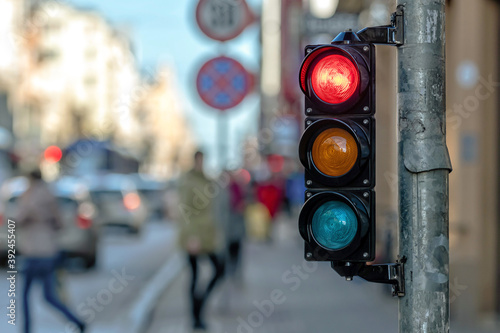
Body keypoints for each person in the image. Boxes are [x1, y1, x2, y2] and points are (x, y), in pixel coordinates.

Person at [17, 169, 86, 333]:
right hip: (49, 252)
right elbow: (60, 224)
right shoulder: (50, 195)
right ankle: (76, 321)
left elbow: (18, 219)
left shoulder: (28, 196)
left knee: (25, 297)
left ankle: (26, 330)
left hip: (33, 253)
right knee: (50, 296)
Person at [177, 151, 224, 330]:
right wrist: (191, 237)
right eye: (199, 160)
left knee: (219, 268)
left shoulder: (207, 180)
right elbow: (184, 211)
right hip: (194, 236)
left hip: (207, 235)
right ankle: (195, 317)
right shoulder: (188, 181)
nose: (201, 163)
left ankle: (200, 305)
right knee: (194, 276)